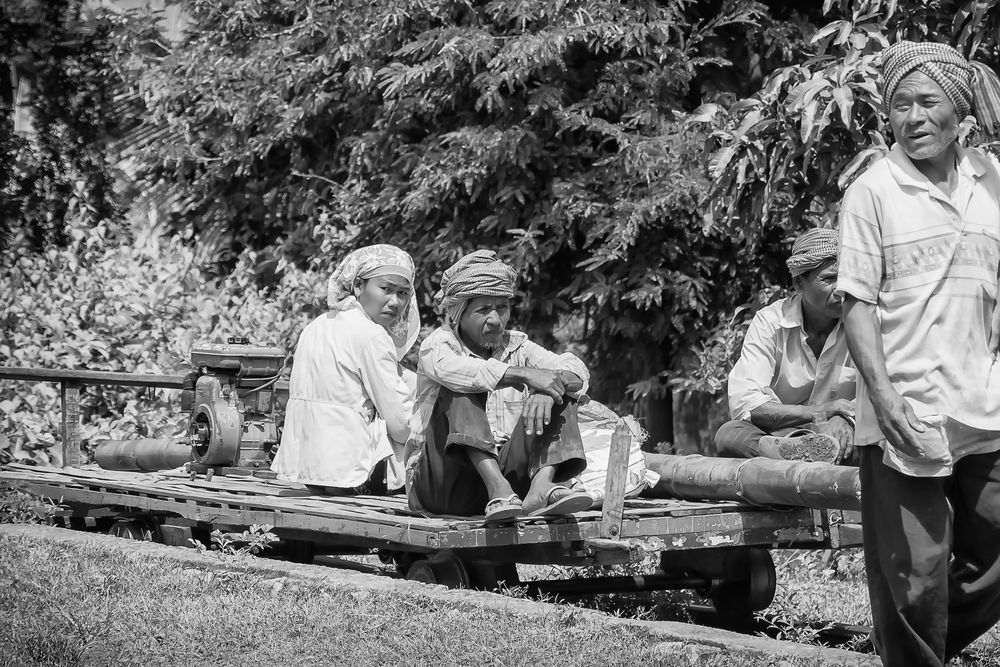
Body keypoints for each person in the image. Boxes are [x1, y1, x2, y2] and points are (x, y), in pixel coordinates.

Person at [838, 41, 1000, 667]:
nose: (914, 117)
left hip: (984, 401)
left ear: (960, 111)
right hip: (904, 405)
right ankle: (912, 651)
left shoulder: (991, 181)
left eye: (929, 101)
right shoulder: (873, 192)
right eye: (900, 104)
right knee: (915, 571)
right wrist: (880, 397)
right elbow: (857, 304)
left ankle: (909, 651)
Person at [404, 250, 593, 521]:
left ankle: (540, 488)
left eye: (502, 308)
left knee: (559, 388)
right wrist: (526, 376)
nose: (495, 319)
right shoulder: (438, 344)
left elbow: (575, 369)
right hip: (443, 485)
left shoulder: (517, 344)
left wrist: (550, 388)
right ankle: (496, 486)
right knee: (461, 388)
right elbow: (458, 371)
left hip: (510, 494)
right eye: (483, 310)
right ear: (459, 313)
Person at [272, 244, 418, 495]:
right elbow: (401, 425)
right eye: (386, 289)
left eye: (403, 293)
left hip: (308, 468)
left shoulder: (317, 325)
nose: (395, 302)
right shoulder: (372, 335)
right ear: (359, 286)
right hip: (352, 473)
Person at [714, 228, 857, 464]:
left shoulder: (863, 322)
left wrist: (846, 419)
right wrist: (825, 411)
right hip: (781, 438)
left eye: (845, 278)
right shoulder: (769, 322)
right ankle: (795, 452)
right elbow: (747, 407)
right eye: (829, 278)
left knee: (881, 442)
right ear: (799, 283)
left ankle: (792, 464)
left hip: (843, 440)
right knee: (729, 434)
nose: (840, 289)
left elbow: (881, 391)